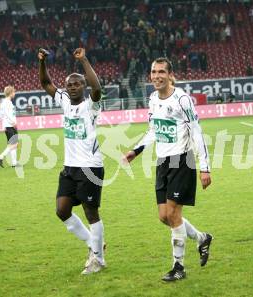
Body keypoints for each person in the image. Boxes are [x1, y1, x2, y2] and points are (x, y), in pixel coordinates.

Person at [123, 57, 213, 282]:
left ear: (170, 74)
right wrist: (136, 150)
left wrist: (205, 167)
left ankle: (179, 267)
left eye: (161, 72)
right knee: (164, 216)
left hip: (182, 160)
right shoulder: (153, 98)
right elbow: (153, 129)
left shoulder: (182, 99)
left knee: (174, 214)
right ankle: (202, 238)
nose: (157, 76)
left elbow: (196, 132)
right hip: (163, 162)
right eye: (154, 72)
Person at [38, 48, 106, 275]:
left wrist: (84, 59)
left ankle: (98, 259)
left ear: (83, 86)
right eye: (70, 84)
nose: (73, 87)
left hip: (90, 166)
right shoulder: (64, 100)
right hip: (70, 167)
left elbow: (97, 88)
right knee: (62, 210)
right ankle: (93, 244)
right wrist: (42, 61)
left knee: (90, 212)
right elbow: (46, 83)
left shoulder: (91, 105)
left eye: (77, 84)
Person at [0, 85, 19, 167]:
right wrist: (13, 123)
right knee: (14, 144)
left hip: (9, 125)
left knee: (13, 144)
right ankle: (0, 157)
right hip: (10, 126)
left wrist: (5, 122)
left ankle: (14, 163)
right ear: (11, 93)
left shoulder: (5, 102)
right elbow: (7, 115)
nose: (14, 93)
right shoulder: (6, 103)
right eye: (14, 92)